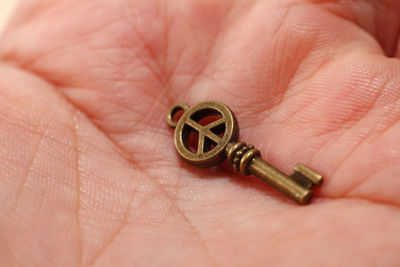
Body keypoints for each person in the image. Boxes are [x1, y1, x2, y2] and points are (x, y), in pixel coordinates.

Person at [0, 0, 399, 266]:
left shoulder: (205, 132)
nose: (192, 127)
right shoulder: (202, 134)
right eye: (190, 126)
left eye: (192, 124)